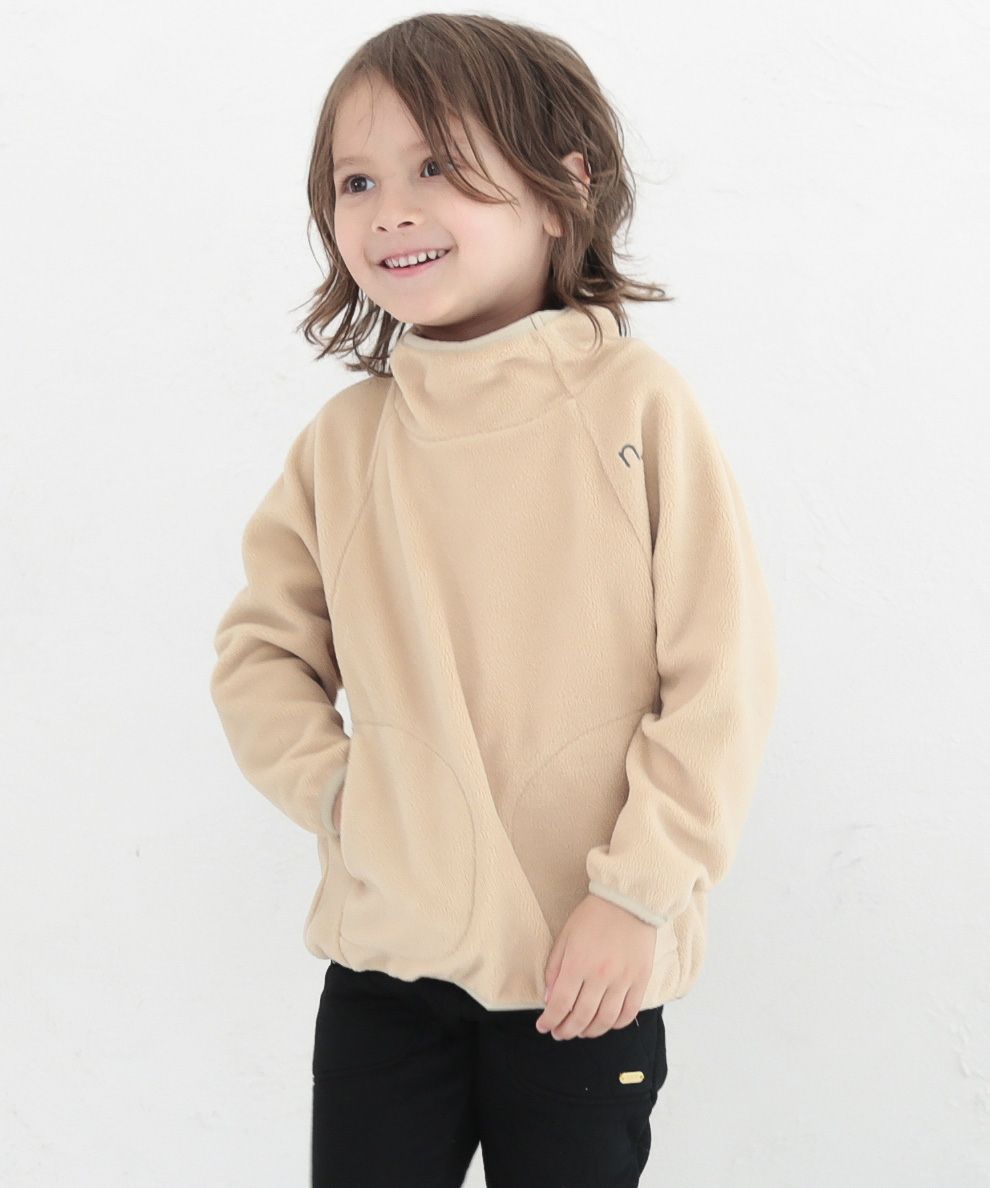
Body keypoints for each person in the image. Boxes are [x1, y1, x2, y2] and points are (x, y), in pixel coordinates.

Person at [209, 13, 779, 1187]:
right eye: (356, 181)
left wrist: (637, 896)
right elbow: (261, 655)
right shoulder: (347, 445)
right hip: (385, 970)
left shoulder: (636, 407)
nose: (391, 210)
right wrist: (348, 797)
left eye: (435, 167)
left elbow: (721, 679)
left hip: (588, 973)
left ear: (563, 191)